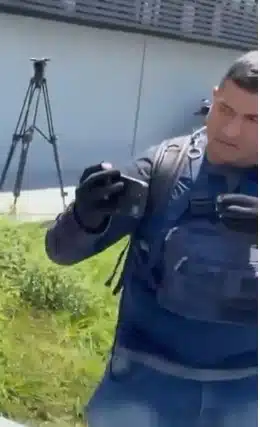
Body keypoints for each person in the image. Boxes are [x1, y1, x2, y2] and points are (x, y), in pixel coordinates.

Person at [45, 50, 258, 427]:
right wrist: (85, 217)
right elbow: (60, 252)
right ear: (214, 96)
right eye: (225, 110)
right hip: (143, 384)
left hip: (245, 391)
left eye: (253, 119)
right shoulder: (164, 167)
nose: (230, 131)